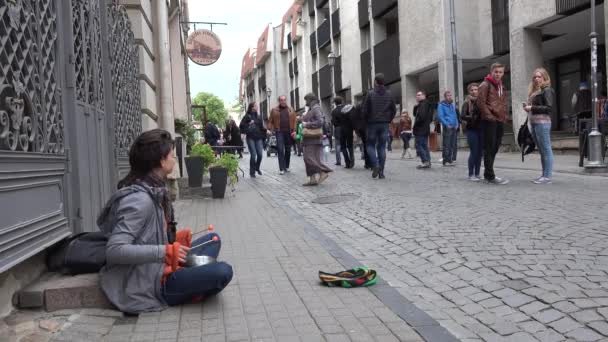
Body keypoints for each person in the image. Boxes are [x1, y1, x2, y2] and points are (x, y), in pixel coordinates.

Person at [98, 129, 233, 314]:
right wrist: (165, 252)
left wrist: (175, 240)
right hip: (150, 281)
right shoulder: (139, 200)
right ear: (161, 161)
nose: (175, 159)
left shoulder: (153, 189)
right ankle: (190, 289)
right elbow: (115, 251)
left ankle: (192, 282)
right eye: (172, 155)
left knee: (213, 239)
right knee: (223, 271)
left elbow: (146, 237)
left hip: (159, 265)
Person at [478, 62, 509, 184]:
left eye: (500, 72)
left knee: (495, 147)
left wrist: (505, 116)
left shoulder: (501, 86)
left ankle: (487, 172)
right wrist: (490, 117)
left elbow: (503, 103)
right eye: (496, 72)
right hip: (490, 120)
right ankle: (490, 175)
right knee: (489, 147)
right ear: (491, 72)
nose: (498, 74)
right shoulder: (485, 85)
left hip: (499, 120)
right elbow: (481, 103)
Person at [363, 73, 397, 179]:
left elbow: (365, 110)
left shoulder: (370, 94)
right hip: (384, 124)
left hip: (372, 123)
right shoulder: (389, 94)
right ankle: (381, 173)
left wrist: (367, 121)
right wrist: (388, 119)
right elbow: (394, 110)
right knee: (382, 147)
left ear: (375, 82)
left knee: (370, 145)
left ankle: (376, 165)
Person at [524, 67, 554, 184]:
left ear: (544, 77)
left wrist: (532, 107)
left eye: (539, 76)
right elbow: (537, 108)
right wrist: (527, 108)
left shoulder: (547, 90)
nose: (536, 79)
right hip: (535, 123)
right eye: (535, 77)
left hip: (543, 123)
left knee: (546, 149)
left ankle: (547, 177)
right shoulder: (536, 91)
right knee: (542, 150)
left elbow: (549, 108)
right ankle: (544, 175)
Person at [302, 93, 332, 186]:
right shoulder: (312, 109)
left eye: (306, 100)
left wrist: (307, 124)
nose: (305, 102)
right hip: (309, 138)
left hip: (313, 138)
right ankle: (312, 179)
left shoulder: (316, 108)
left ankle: (323, 171)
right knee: (310, 158)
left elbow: (320, 121)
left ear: (310, 100)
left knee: (309, 158)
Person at [268, 95, 297, 175]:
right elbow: (270, 121)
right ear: (279, 101)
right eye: (281, 100)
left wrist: (294, 130)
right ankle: (281, 168)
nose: (283, 101)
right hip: (279, 131)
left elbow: (295, 121)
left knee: (288, 150)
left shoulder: (291, 109)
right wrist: (269, 129)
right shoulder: (274, 110)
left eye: (284, 100)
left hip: (289, 132)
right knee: (280, 149)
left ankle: (286, 166)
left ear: (286, 100)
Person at [461, 83, 483, 181]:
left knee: (479, 152)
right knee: (474, 152)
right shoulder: (467, 102)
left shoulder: (481, 101)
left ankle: (477, 173)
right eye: (472, 90)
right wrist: (473, 117)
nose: (474, 91)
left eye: (476, 89)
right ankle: (471, 174)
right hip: (471, 129)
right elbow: (462, 116)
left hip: (481, 129)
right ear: (469, 91)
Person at [239, 102, 266, 178]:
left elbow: (261, 127)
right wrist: (249, 123)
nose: (257, 107)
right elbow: (241, 125)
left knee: (260, 155)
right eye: (256, 106)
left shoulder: (259, 116)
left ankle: (257, 167)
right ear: (252, 107)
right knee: (253, 154)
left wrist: (266, 131)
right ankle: (252, 172)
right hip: (250, 137)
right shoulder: (247, 116)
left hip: (258, 137)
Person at [413, 90, 434, 169]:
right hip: (425, 128)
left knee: (419, 146)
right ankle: (427, 161)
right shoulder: (424, 104)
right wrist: (416, 107)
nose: (417, 97)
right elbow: (415, 114)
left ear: (424, 96)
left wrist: (416, 125)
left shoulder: (423, 104)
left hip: (420, 129)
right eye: (417, 95)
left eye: (419, 95)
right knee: (424, 146)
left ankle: (425, 161)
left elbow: (421, 117)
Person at [437, 90, 459, 166]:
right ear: (445, 97)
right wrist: (446, 124)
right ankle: (445, 160)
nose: (450, 97)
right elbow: (440, 116)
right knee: (447, 144)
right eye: (448, 95)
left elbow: (455, 115)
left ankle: (449, 160)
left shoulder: (452, 105)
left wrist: (456, 124)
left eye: (450, 95)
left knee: (452, 144)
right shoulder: (441, 105)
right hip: (448, 127)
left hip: (454, 127)